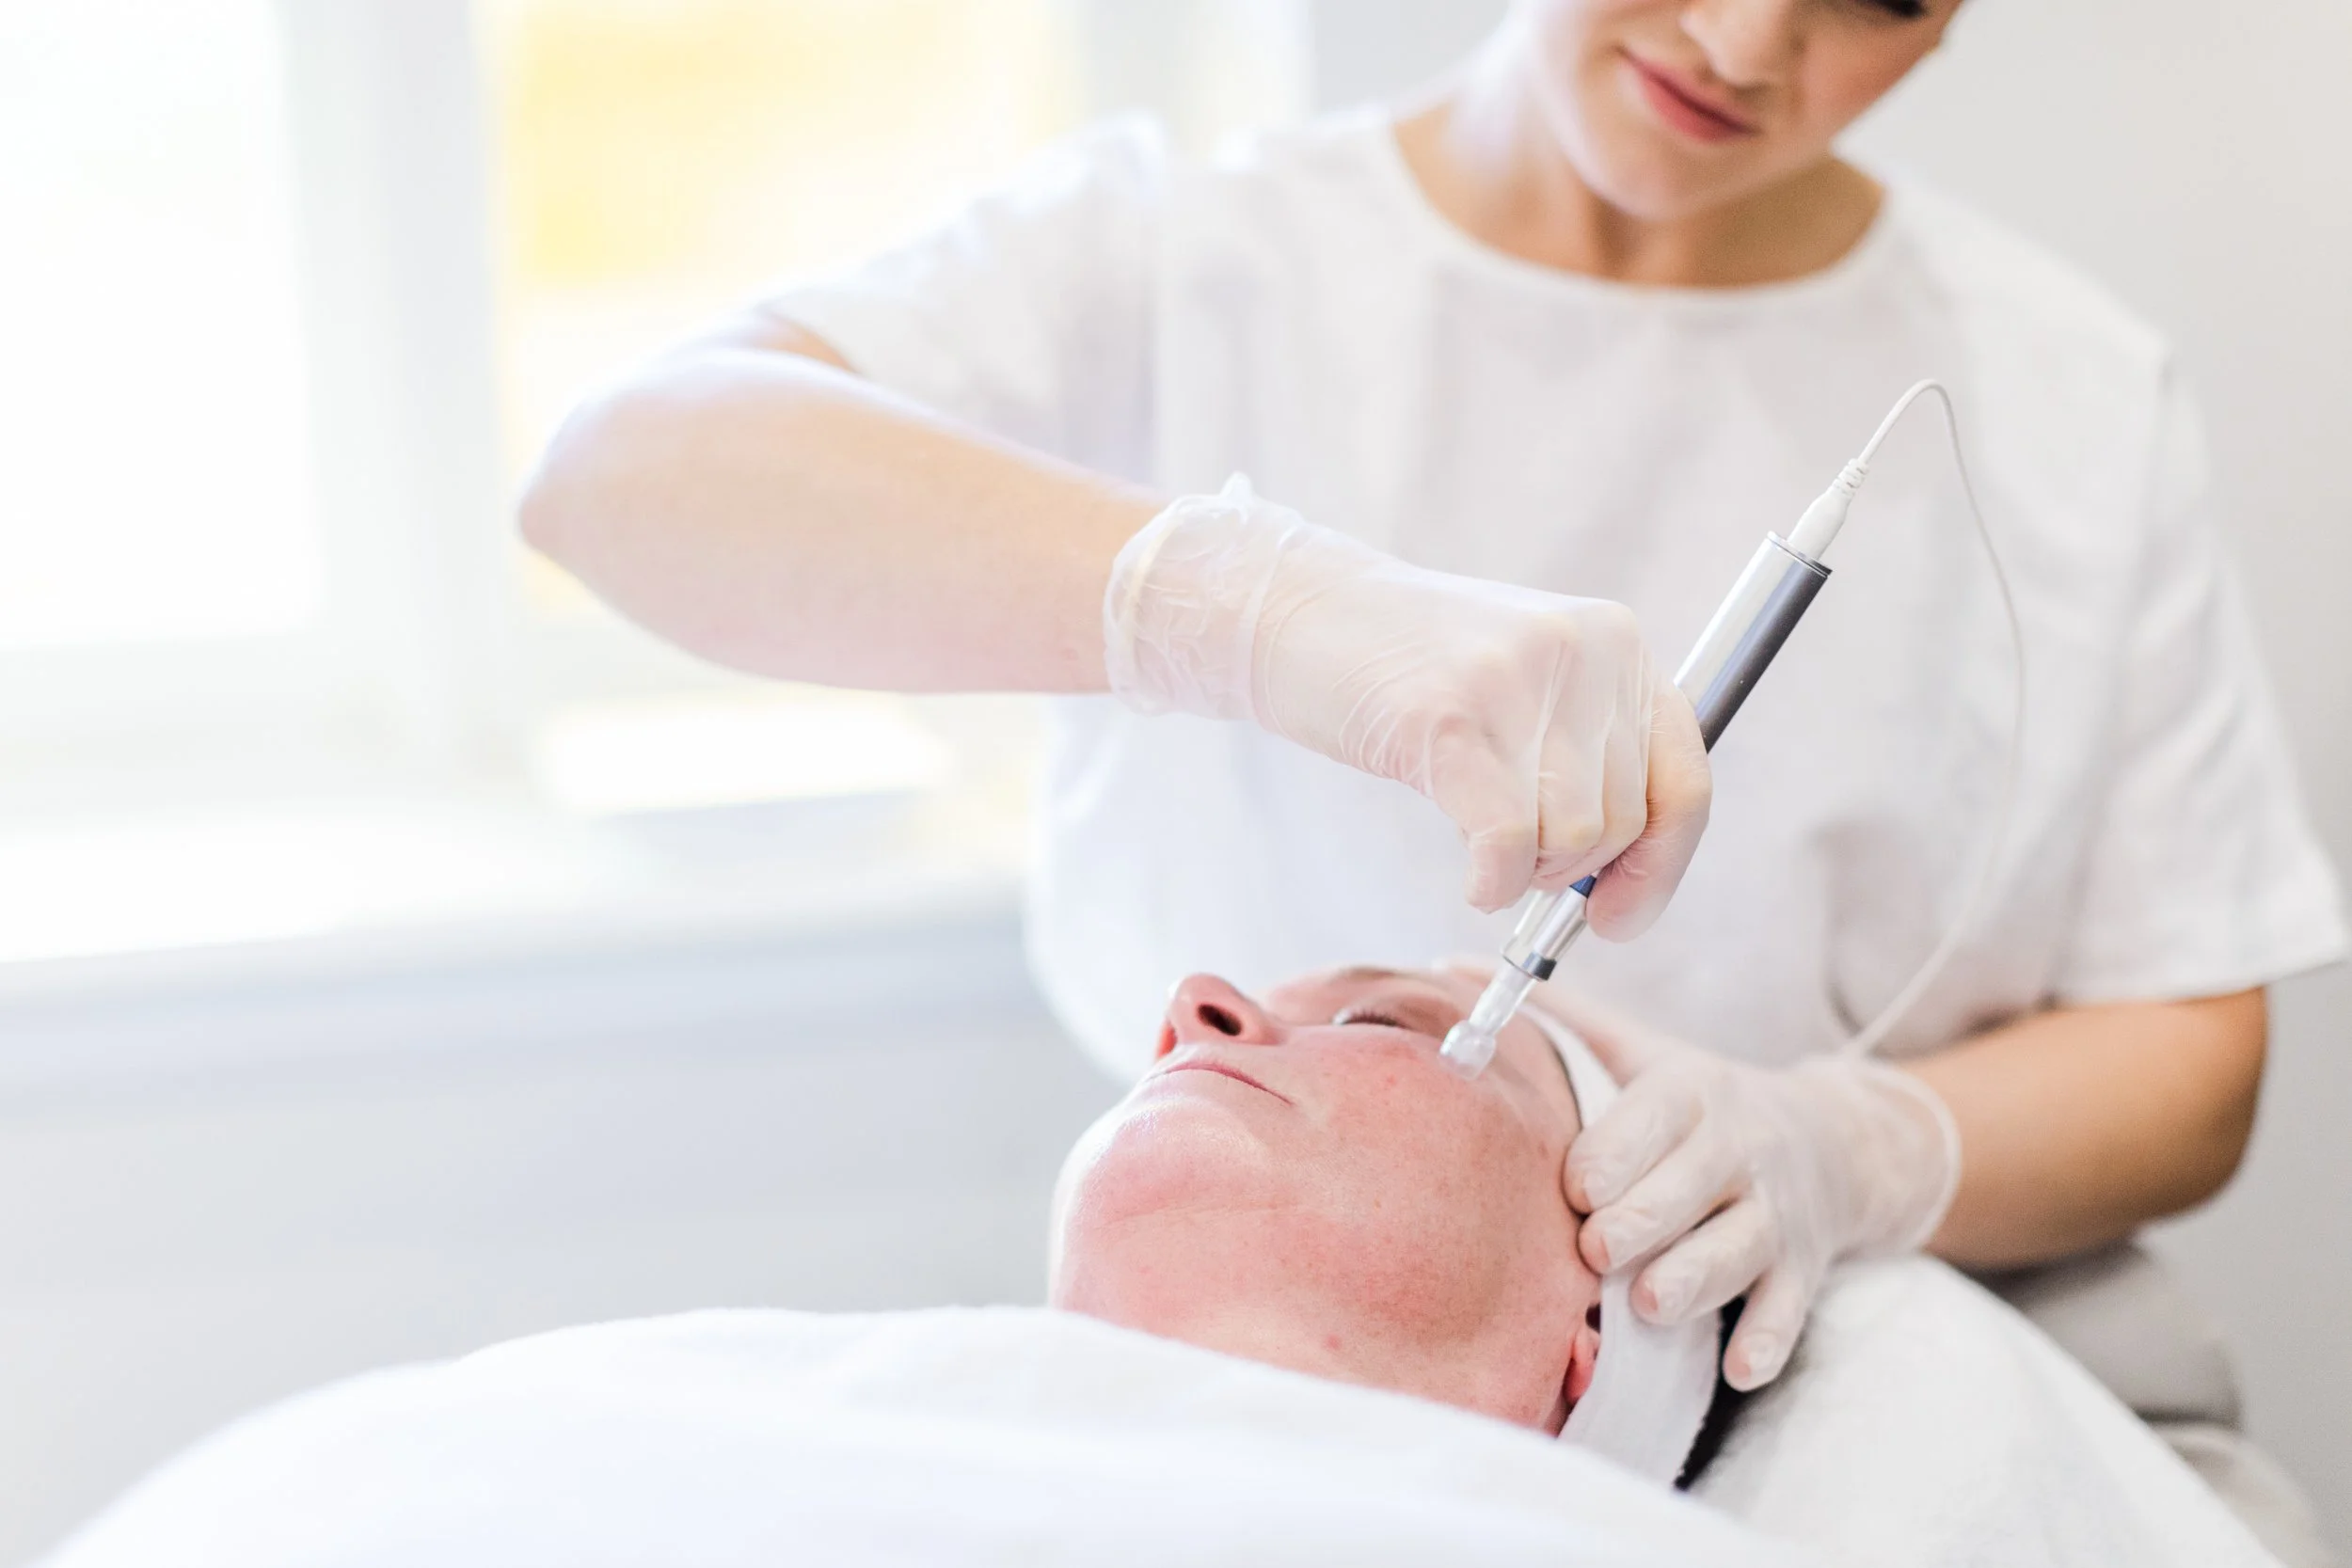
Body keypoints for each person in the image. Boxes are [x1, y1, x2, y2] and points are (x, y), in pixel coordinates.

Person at [520, 0, 2345, 1526]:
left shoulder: (2058, 394)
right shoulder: (1181, 260)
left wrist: (1852, 1143)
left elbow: (2191, 1056)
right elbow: (615, 477)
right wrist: (1238, 603)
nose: (1739, 40)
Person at [39, 967, 2283, 1568]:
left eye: (1391, 1019)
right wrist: (1217, 597)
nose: (1202, 998)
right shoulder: (665, 1405)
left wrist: (1857, 1130)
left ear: (1596, 1325)